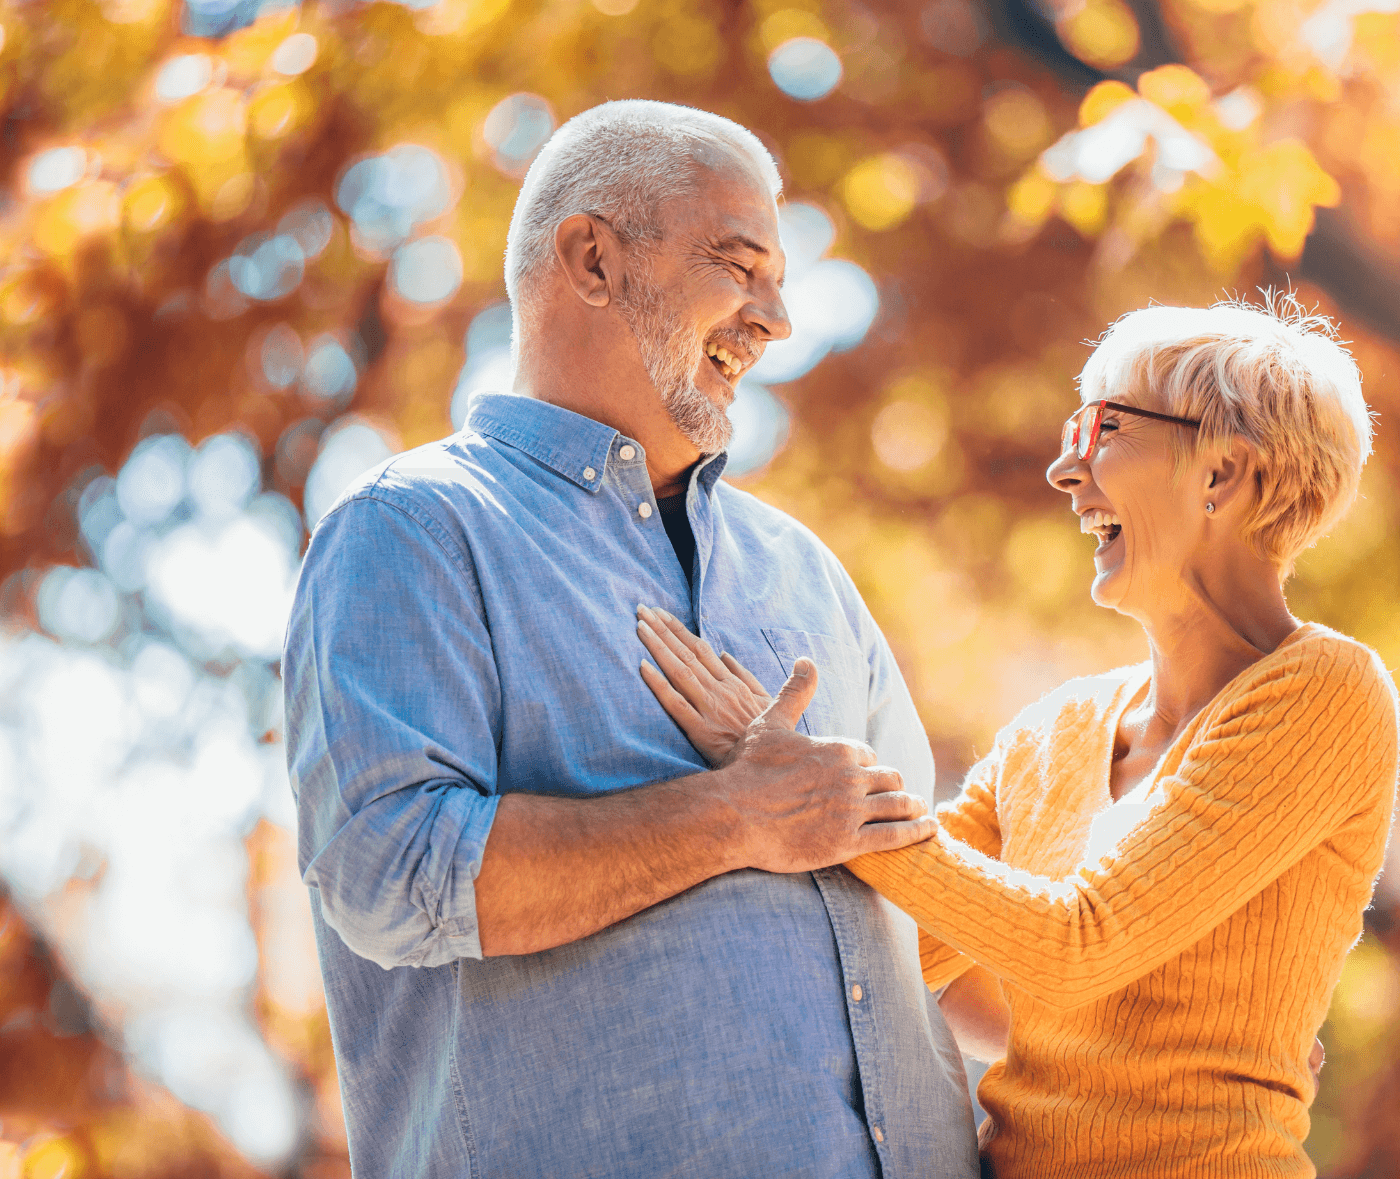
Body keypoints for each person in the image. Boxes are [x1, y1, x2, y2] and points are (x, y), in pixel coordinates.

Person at [283, 99, 979, 1179]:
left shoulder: (806, 575)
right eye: (738, 265)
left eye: (777, 280)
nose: (775, 319)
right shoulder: (414, 532)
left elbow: (934, 920)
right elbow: (392, 874)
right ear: (592, 258)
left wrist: (1176, 1045)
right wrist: (732, 817)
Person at [635, 300, 1400, 1178]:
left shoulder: (1324, 693)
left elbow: (1080, 944)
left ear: (1222, 473)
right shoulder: (1058, 728)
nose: (1064, 469)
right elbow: (915, 944)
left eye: (1103, 426)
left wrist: (825, 794)